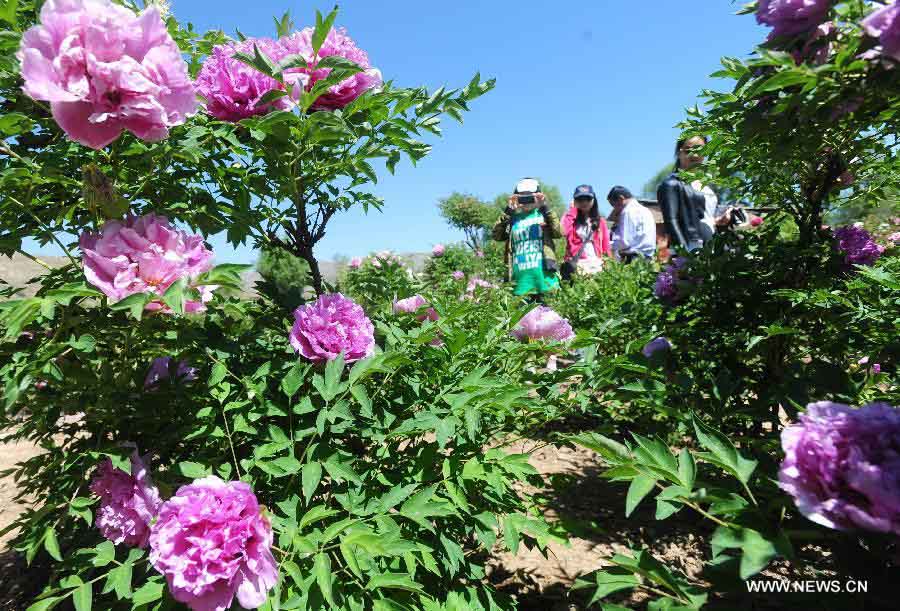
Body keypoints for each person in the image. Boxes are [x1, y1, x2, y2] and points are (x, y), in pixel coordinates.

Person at [657, 136, 735, 252]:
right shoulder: (672, 184)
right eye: (688, 150)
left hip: (710, 246)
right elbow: (671, 221)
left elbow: (705, 218)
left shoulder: (707, 186)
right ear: (679, 153)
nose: (694, 155)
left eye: (700, 150)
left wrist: (720, 220)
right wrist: (684, 253)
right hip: (691, 246)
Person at [492, 177, 561, 300]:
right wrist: (508, 211)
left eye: (530, 197)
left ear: (538, 196)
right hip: (520, 286)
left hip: (545, 283)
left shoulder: (544, 216)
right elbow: (496, 235)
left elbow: (559, 232)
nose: (527, 201)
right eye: (522, 197)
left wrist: (544, 206)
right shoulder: (512, 220)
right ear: (516, 198)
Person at [560, 184, 611, 279]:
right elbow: (563, 231)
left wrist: (608, 264)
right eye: (580, 199)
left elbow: (606, 245)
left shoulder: (600, 221)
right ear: (575, 201)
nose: (584, 202)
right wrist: (572, 210)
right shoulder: (570, 218)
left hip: (596, 263)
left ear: (593, 200)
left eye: (588, 198)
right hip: (576, 263)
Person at [607, 186, 656, 262]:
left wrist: (606, 245)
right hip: (647, 256)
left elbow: (625, 242)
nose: (615, 209)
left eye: (614, 205)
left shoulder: (627, 211)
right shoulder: (645, 210)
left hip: (633, 258)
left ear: (621, 199)